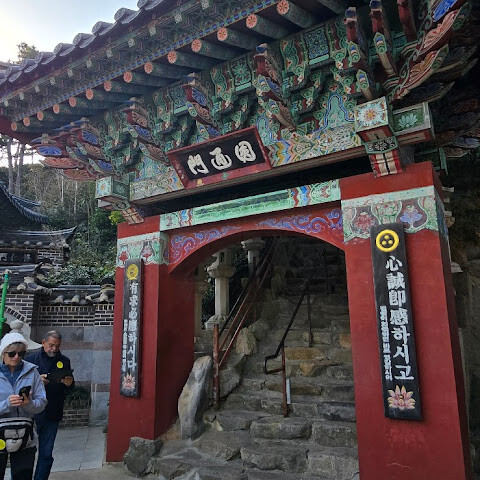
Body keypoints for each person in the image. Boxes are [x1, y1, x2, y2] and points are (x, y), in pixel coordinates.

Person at [25, 331, 74, 480]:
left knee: (46, 453)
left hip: (52, 411)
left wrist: (69, 384)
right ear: (43, 342)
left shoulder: (64, 361)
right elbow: (22, 386)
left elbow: (70, 387)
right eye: (51, 345)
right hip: (31, 412)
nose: (54, 349)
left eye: (57, 346)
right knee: (27, 451)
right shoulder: (30, 359)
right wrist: (37, 381)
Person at [0, 332, 47, 480]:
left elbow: (42, 403)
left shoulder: (32, 372)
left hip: (25, 434)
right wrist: (7, 404)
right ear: (3, 353)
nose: (16, 357)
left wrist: (29, 404)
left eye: (21, 354)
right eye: (12, 353)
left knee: (23, 476)